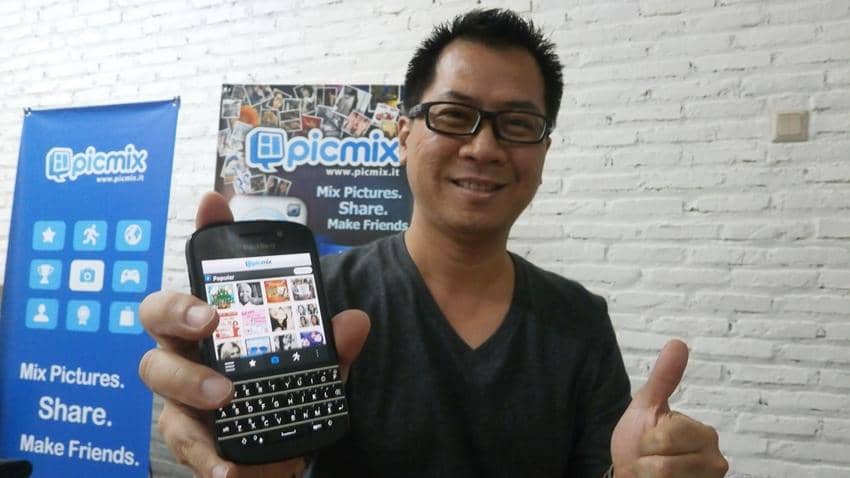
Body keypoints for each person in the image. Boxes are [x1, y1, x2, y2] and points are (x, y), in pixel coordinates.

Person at [138, 8, 728, 478]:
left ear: (544, 150)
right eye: (452, 115)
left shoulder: (579, 320)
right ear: (403, 135)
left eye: (519, 124)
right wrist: (227, 447)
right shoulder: (320, 301)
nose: (484, 147)